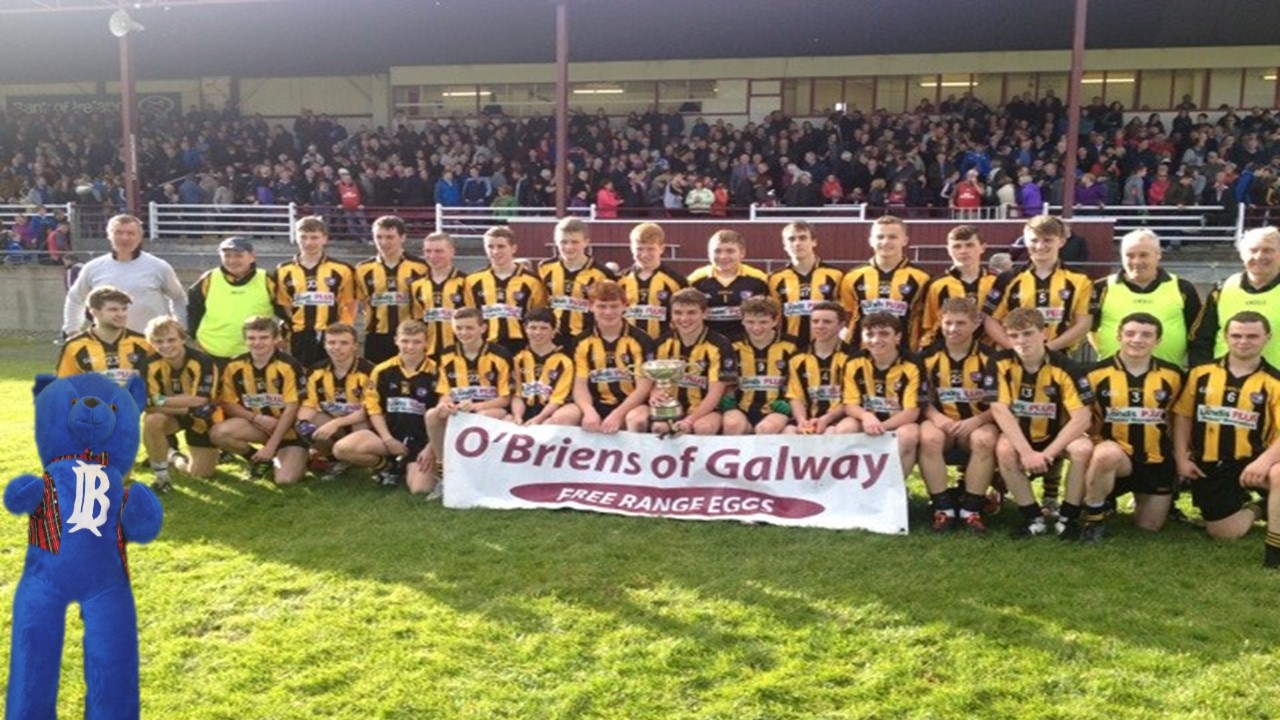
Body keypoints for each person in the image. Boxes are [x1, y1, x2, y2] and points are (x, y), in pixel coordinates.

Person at [1173, 311, 1280, 567]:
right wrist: (1180, 458)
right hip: (1212, 463)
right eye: (1237, 335)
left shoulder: (1274, 381)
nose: (1244, 341)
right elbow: (1182, 416)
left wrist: (1263, 463)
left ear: (1267, 338)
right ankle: (1260, 508)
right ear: (1225, 337)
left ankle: (1275, 550)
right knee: (1224, 534)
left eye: (1252, 336)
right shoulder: (1201, 374)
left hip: (1257, 461)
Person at [1079, 313, 1186, 543]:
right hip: (1115, 458)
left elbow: (1178, 419)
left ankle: (1112, 500)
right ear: (1119, 337)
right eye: (1130, 333)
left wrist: (1181, 456)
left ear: (1157, 341)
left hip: (1156, 460)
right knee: (1107, 454)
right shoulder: (1095, 374)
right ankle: (1094, 518)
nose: (1137, 340)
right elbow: (1082, 418)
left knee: (1148, 527)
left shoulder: (1174, 375)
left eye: (1146, 335)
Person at [989, 308, 1095, 539]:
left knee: (1083, 449)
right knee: (1004, 449)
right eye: (1014, 336)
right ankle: (1032, 518)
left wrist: (1047, 454)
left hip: (1057, 435)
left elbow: (1082, 418)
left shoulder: (1067, 367)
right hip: (1021, 433)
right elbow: (999, 408)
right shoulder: (999, 363)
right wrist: (1026, 452)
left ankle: (1068, 518)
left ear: (1044, 333)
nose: (1021, 341)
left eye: (1028, 334)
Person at [917, 298, 1000, 534]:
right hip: (940, 421)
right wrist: (937, 418)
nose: (953, 329)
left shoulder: (992, 358)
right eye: (948, 322)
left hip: (979, 421)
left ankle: (971, 510)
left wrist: (976, 421)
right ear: (940, 322)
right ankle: (943, 509)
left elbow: (1002, 404)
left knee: (984, 440)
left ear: (976, 323)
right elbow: (921, 399)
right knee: (929, 438)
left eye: (961, 323)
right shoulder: (927, 356)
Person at [332, 320, 438, 493]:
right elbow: (373, 409)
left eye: (416, 342)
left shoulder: (437, 371)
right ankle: (387, 468)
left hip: (422, 442)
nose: (410, 347)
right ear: (396, 340)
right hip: (389, 438)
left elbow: (441, 417)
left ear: (426, 342)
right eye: (405, 341)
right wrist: (388, 440)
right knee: (342, 449)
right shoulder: (381, 370)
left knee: (420, 489)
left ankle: (408, 467)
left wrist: (430, 448)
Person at [209, 316, 309, 485]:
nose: (257, 343)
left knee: (286, 480)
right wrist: (256, 418)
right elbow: (227, 402)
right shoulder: (234, 365)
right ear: (245, 340)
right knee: (218, 433)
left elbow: (293, 407)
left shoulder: (289, 365)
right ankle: (258, 460)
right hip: (258, 426)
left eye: (264, 337)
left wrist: (271, 445)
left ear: (276, 339)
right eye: (251, 338)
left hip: (289, 431)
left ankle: (297, 455)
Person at [425, 308, 515, 486]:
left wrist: (475, 407)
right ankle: (444, 472)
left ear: (483, 328)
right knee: (432, 414)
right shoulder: (446, 354)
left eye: (469, 328)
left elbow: (505, 399)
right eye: (459, 328)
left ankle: (481, 473)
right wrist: (445, 404)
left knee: (479, 420)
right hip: (458, 411)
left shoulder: (500, 354)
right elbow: (444, 392)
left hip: (491, 410)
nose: (463, 333)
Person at [832, 312, 925, 483]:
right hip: (865, 420)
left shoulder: (913, 364)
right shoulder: (854, 362)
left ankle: (892, 489)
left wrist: (881, 426)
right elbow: (850, 405)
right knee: (844, 429)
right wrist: (866, 416)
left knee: (908, 436)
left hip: (899, 421)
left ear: (897, 337)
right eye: (870, 334)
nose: (876, 340)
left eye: (884, 334)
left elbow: (911, 412)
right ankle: (851, 487)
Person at [61, 213, 187, 337]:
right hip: (109, 345)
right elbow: (75, 299)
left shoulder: (159, 267)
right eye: (118, 233)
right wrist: (72, 330)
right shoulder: (93, 268)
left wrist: (180, 329)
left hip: (151, 344)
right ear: (109, 235)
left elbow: (179, 298)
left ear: (140, 237)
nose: (125, 238)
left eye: (130, 233)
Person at [1090, 229, 1202, 367]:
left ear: (1158, 255)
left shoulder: (1182, 288)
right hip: (1111, 376)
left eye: (1143, 255)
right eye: (1129, 256)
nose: (1137, 261)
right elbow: (1088, 329)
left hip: (1170, 376)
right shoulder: (1101, 288)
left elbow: (1197, 334)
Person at [983, 215, 1093, 354]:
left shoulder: (1080, 280)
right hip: (1014, 359)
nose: (1040, 246)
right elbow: (991, 320)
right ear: (1026, 242)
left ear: (1061, 241)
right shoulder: (1008, 278)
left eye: (1047, 240)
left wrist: (1047, 349)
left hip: (1059, 359)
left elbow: (1084, 323)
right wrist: (1016, 348)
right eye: (1034, 240)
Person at [141, 316, 220, 492]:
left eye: (171, 339)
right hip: (174, 415)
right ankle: (162, 478)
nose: (166, 346)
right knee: (152, 420)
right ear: (151, 342)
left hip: (202, 419)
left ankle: (173, 455)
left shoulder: (203, 361)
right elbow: (147, 405)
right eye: (158, 341)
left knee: (201, 473)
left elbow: (201, 400)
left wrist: (161, 399)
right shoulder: (148, 365)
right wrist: (186, 406)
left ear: (183, 339)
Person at [572, 280, 657, 434]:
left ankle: (637, 457)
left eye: (614, 306)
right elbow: (580, 384)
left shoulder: (642, 340)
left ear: (625, 305)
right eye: (602, 306)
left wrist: (618, 414)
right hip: (596, 404)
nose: (608, 312)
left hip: (631, 405)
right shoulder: (581, 341)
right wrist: (588, 411)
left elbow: (643, 387)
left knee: (637, 420)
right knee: (564, 417)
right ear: (590, 306)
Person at [650, 288, 736, 436]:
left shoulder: (720, 345)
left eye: (691, 312)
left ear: (704, 313)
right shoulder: (661, 343)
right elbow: (652, 382)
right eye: (678, 313)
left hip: (705, 411)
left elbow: (716, 392)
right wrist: (655, 393)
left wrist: (690, 420)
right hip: (671, 407)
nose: (684, 319)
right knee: (659, 428)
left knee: (703, 427)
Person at [274, 216, 357, 368]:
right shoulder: (283, 270)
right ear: (296, 238)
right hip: (299, 334)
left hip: (332, 334)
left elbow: (350, 303)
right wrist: (287, 332)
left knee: (331, 376)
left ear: (324, 239)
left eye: (314, 237)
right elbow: (284, 304)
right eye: (303, 237)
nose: (309, 243)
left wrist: (345, 330)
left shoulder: (342, 269)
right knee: (303, 377)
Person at [838, 215, 931, 348]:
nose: (886, 242)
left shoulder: (922, 277)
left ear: (905, 240)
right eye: (880, 237)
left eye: (893, 237)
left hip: (906, 354)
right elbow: (847, 315)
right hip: (860, 353)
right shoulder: (852, 276)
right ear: (870, 240)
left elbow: (927, 319)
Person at [1193, 227, 1280, 367]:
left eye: (1268, 250)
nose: (1259, 256)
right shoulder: (1222, 290)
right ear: (1242, 255)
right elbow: (1201, 339)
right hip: (1224, 382)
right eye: (1253, 250)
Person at [188, 237, 283, 363]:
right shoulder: (209, 279)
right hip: (212, 350)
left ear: (252, 256)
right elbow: (194, 309)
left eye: (238, 256)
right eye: (227, 256)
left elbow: (283, 309)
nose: (232, 260)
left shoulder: (267, 279)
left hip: (254, 352)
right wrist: (194, 335)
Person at [294, 322, 374, 469]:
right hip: (334, 420)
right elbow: (309, 404)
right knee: (307, 423)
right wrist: (303, 423)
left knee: (361, 425)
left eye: (344, 343)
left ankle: (364, 458)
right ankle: (335, 460)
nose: (337, 347)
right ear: (324, 345)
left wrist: (335, 423)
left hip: (360, 422)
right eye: (331, 342)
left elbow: (368, 412)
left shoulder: (369, 371)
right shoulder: (315, 371)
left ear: (355, 346)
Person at [355, 215, 429, 365]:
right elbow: (360, 302)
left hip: (412, 337)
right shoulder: (362, 269)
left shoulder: (421, 267)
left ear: (402, 238)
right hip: (377, 335)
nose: (384, 242)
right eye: (379, 237)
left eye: (390, 237)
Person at [464, 226, 548, 353]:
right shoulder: (472, 281)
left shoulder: (532, 281)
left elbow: (538, 316)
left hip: (521, 346)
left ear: (513, 248)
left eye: (501, 246)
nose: (495, 251)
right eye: (490, 247)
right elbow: (471, 315)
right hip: (486, 345)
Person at [723, 297, 797, 436]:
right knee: (733, 425)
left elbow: (798, 381)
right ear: (742, 320)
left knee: (766, 429)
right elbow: (725, 379)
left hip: (776, 409)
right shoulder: (731, 345)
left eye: (763, 322)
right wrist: (727, 397)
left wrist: (789, 402)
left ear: (775, 321)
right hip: (741, 407)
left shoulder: (792, 346)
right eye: (750, 322)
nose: (756, 328)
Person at [538, 217, 616, 345]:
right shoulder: (545, 268)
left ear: (586, 242)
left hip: (588, 339)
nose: (568, 247)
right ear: (556, 242)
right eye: (563, 242)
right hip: (552, 339)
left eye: (574, 242)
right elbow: (540, 303)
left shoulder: (602, 273)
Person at [767, 221, 844, 348]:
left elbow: (844, 313)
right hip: (789, 346)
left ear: (814, 242)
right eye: (791, 239)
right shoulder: (774, 278)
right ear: (784, 245)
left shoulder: (836, 275)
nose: (797, 243)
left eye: (803, 238)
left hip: (826, 347)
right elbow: (774, 316)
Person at [56, 285, 154, 385]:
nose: (121, 314)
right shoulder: (74, 346)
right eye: (113, 310)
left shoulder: (144, 343)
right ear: (95, 312)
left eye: (124, 309)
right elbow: (65, 387)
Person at [687, 229, 769, 343]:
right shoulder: (694, 281)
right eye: (717, 251)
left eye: (730, 251)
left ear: (742, 253)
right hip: (707, 345)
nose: (723, 256)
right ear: (708, 253)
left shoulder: (760, 279)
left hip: (746, 346)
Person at [919, 225, 996, 347]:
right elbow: (930, 325)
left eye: (969, 245)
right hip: (947, 352)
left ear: (983, 247)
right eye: (957, 246)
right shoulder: (937, 285)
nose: (963, 251)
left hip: (990, 352)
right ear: (948, 250)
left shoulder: (996, 283)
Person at [784, 302, 850, 435]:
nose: (820, 326)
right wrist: (801, 420)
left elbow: (852, 399)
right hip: (808, 417)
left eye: (827, 322)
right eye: (815, 321)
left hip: (840, 418)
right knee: (789, 433)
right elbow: (795, 396)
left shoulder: (853, 357)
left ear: (841, 325)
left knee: (831, 433)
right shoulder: (797, 358)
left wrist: (826, 419)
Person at [510, 308, 579, 426]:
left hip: (551, 413)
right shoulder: (518, 359)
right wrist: (517, 417)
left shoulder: (564, 361)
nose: (537, 332)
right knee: (508, 422)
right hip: (524, 410)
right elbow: (518, 395)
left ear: (554, 331)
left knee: (549, 424)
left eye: (544, 328)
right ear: (525, 329)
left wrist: (538, 419)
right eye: (533, 327)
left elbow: (557, 399)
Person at [618, 222, 687, 340]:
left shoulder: (677, 281)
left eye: (651, 249)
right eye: (639, 249)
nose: (645, 254)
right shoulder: (619, 280)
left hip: (663, 346)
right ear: (631, 248)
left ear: (662, 249)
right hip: (627, 347)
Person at [410, 231, 467, 360]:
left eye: (439, 251)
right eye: (428, 251)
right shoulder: (416, 285)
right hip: (428, 354)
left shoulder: (466, 282)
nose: (432, 256)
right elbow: (418, 321)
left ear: (452, 251)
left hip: (460, 354)